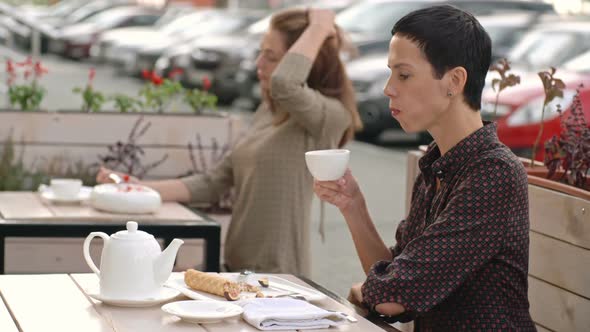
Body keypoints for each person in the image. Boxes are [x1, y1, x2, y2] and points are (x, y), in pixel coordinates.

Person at [313, 5, 535, 330]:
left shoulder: (493, 171)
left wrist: (373, 291)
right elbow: (396, 277)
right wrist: (353, 206)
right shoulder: (437, 162)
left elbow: (395, 296)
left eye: (403, 75)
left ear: (454, 81)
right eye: (390, 73)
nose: (388, 88)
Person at [97, 8, 362, 276]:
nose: (259, 63)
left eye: (270, 57)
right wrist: (134, 187)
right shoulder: (269, 112)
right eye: (261, 52)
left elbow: (285, 83)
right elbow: (211, 182)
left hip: (279, 278)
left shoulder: (328, 116)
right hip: (237, 269)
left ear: (305, 61)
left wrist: (319, 26)